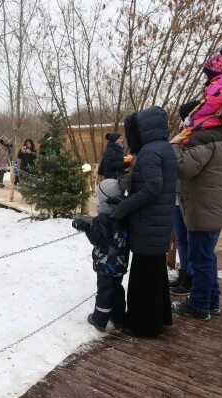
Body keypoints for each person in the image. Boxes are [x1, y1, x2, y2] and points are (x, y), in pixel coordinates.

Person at [110, 106, 176, 338]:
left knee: (143, 277)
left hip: (149, 223)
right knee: (155, 274)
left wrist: (123, 208)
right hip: (157, 222)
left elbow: (152, 188)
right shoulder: (163, 148)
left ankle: (143, 324)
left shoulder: (149, 152)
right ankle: (158, 317)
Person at [169, 108, 222, 320]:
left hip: (203, 207)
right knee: (206, 256)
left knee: (200, 259)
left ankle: (199, 306)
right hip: (216, 206)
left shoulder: (205, 140)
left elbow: (183, 169)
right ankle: (212, 302)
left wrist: (174, 145)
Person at [72, 178, 130, 332]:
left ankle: (99, 319)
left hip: (106, 263)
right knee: (117, 288)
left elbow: (98, 240)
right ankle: (119, 318)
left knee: (104, 290)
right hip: (121, 261)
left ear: (103, 197)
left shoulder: (102, 219)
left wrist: (87, 228)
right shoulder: (123, 214)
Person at [170, 100, 201, 296]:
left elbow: (185, 168)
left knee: (192, 240)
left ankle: (191, 276)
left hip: (191, 197)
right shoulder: (183, 134)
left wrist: (174, 146)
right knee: (181, 238)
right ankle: (184, 273)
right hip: (176, 196)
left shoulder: (199, 139)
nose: (184, 123)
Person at [181, 45, 222, 141]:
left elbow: (209, 105)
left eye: (207, 74)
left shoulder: (218, 87)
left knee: (191, 128)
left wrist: (190, 117)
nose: (206, 77)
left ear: (213, 73)